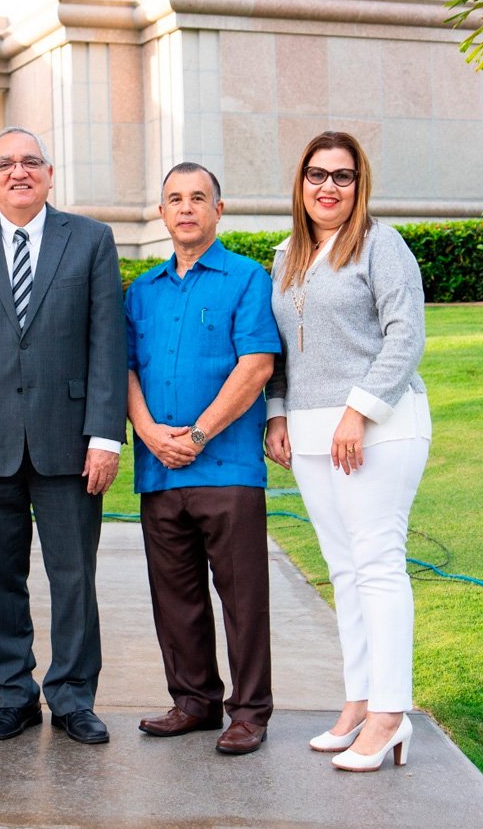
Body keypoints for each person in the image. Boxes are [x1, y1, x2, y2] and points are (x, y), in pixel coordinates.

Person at [0, 126, 128, 745]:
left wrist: (105, 436)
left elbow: (106, 343)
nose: (19, 172)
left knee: (73, 577)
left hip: (70, 442)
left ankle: (72, 699)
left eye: (30, 162)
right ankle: (13, 695)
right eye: (5, 164)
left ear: (49, 173)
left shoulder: (91, 240)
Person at [264, 131, 430, 771]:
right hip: (307, 435)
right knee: (344, 571)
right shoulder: (288, 256)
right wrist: (277, 417)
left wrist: (358, 412)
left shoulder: (381, 246)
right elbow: (281, 352)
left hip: (379, 429)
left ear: (360, 185)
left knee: (379, 566)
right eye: (316, 175)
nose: (327, 187)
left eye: (342, 176)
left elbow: (405, 335)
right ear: (300, 184)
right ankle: (360, 701)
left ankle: (391, 714)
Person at [127, 163, 280, 755]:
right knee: (175, 595)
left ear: (219, 209)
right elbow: (126, 371)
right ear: (162, 213)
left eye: (198, 198)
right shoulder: (141, 291)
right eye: (174, 199)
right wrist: (148, 432)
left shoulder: (246, 279)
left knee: (242, 597)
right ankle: (194, 701)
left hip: (228, 469)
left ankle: (250, 711)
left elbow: (257, 366)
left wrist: (195, 435)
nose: (186, 208)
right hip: (158, 471)